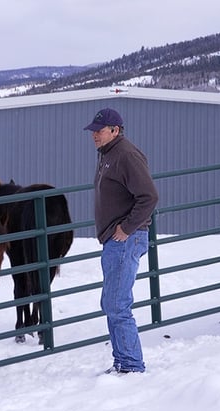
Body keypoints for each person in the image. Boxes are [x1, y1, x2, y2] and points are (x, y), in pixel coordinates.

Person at [84, 108, 158, 374]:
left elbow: (148, 196)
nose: (94, 135)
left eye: (99, 130)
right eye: (93, 130)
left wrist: (126, 228)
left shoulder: (125, 155)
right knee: (111, 302)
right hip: (115, 240)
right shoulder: (108, 154)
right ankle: (123, 362)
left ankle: (131, 365)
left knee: (117, 304)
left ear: (115, 130)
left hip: (126, 239)